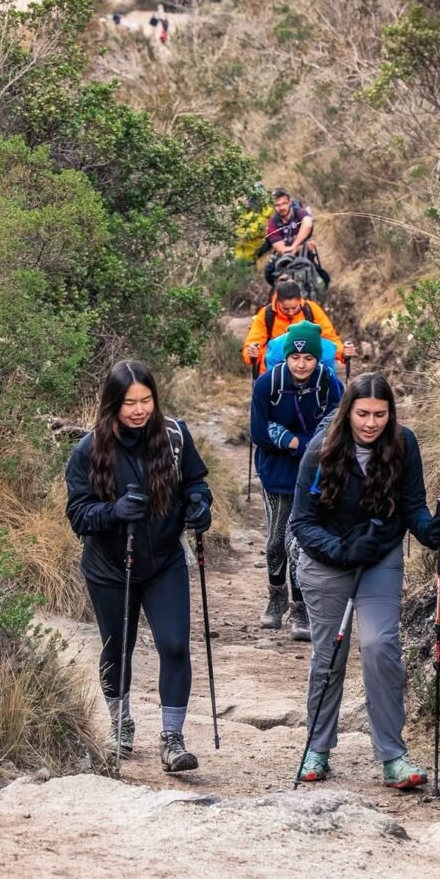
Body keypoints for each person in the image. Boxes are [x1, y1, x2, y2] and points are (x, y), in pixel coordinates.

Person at [290, 373, 440, 789]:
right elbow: (302, 523)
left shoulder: (404, 444)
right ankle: (317, 748)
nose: (370, 423)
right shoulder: (321, 449)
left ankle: (393, 756)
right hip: (326, 561)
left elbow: (414, 506)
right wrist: (343, 550)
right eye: (362, 414)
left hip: (380, 556)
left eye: (380, 414)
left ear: (391, 413)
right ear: (348, 412)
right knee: (329, 655)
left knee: (379, 644)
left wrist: (430, 530)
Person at [65, 360, 213, 775]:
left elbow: (196, 483)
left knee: (174, 645)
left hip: (165, 560)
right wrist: (114, 511)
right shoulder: (90, 450)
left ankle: (172, 738)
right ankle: (121, 723)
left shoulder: (175, 437)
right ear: (112, 403)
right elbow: (78, 515)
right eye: (129, 402)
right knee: (119, 649)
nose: (139, 410)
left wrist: (200, 506)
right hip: (110, 567)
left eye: (146, 400)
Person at [250, 321, 343, 638]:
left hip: (315, 472)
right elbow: (258, 432)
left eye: (308, 359)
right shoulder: (267, 384)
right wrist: (299, 443)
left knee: (299, 543)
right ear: (287, 357)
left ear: (317, 359)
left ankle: (300, 609)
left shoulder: (329, 384)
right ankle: (276, 598)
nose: (301, 364)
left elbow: (337, 424)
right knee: (277, 540)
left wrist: (308, 448)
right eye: (295, 358)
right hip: (276, 472)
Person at [242, 279, 355, 376]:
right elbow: (253, 343)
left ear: (300, 299)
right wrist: (252, 353)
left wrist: (343, 353)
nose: (291, 312)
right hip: (274, 373)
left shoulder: (311, 310)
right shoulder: (266, 314)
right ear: (278, 302)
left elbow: (329, 339)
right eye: (286, 309)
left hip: (308, 371)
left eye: (294, 308)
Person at [264, 188, 331, 288]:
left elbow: (308, 224)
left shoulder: (299, 212)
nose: (281, 208)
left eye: (284, 203)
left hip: (304, 256)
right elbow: (281, 249)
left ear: (290, 202)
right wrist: (301, 247)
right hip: (283, 259)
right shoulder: (272, 223)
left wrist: (295, 245)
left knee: (324, 279)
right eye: (277, 205)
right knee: (269, 274)